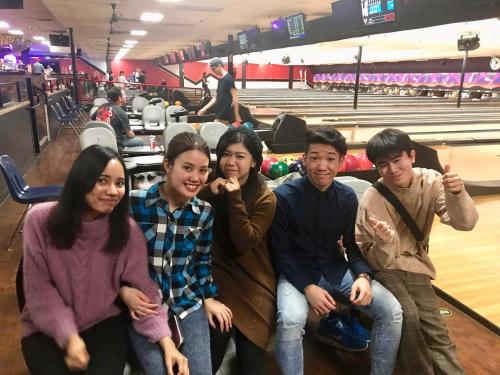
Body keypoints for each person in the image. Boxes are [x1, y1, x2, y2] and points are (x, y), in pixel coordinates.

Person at [20, 145, 188, 375]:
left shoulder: (126, 231)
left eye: (119, 183)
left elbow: (145, 292)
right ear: (81, 180)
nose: (113, 191)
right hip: (44, 327)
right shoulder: (39, 220)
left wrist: (167, 343)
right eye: (102, 181)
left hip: (102, 324)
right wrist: (69, 338)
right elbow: (40, 293)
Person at [269, 127, 403, 375]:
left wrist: (363, 276)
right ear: (304, 158)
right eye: (315, 157)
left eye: (331, 158)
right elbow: (281, 252)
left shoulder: (346, 197)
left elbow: (351, 245)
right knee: (290, 321)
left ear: (341, 162)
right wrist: (308, 288)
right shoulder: (284, 197)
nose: (322, 165)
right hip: (296, 273)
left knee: (392, 311)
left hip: (335, 268)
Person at [355, 128, 478, 375]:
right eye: (383, 165)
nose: (392, 169)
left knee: (434, 328)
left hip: (416, 267)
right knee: (409, 317)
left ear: (411, 156)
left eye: (397, 160)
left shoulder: (432, 182)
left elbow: (464, 223)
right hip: (387, 267)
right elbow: (373, 258)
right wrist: (385, 241)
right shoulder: (372, 197)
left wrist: (457, 193)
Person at [121, 132, 232, 375]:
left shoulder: (204, 212)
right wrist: (123, 289)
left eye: (203, 170)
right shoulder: (134, 204)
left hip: (186, 302)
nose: (195, 177)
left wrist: (209, 297)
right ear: (168, 165)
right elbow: (115, 260)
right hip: (146, 307)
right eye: (187, 168)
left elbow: (202, 260)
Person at [198, 128, 276, 374]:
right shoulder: (212, 185)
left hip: (252, 281)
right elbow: (188, 207)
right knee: (216, 338)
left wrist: (235, 199)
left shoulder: (265, 197)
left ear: (254, 161)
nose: (231, 162)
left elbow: (244, 243)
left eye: (240, 156)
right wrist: (209, 190)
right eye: (226, 154)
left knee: (251, 362)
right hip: (215, 275)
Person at [197, 57, 241, 125]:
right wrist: (204, 109)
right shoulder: (220, 80)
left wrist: (236, 114)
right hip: (218, 114)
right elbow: (216, 97)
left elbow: (235, 98)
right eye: (212, 69)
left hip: (224, 116)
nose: (213, 71)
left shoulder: (228, 79)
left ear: (220, 66)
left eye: (214, 69)